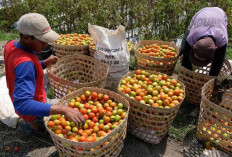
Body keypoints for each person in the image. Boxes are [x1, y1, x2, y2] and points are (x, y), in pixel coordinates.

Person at [4, 13, 85, 134]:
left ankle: (31, 124)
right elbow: (22, 104)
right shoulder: (25, 64)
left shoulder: (10, 45)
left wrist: (43, 63)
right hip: (33, 112)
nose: (47, 44)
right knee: (69, 115)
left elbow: (18, 67)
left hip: (34, 99)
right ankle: (35, 127)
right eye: (42, 41)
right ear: (26, 37)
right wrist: (62, 109)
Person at [180, 7, 228, 76]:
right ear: (193, 45)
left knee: (221, 57)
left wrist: (211, 79)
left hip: (220, 14)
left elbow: (218, 62)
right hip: (202, 13)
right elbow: (186, 57)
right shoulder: (192, 37)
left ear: (216, 47)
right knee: (183, 49)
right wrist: (188, 76)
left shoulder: (222, 39)